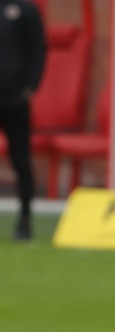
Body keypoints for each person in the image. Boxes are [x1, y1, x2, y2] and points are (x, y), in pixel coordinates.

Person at [0, 0, 46, 240]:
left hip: (15, 99)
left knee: (20, 159)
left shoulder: (25, 10)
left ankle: (25, 219)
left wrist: (30, 87)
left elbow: (38, 48)